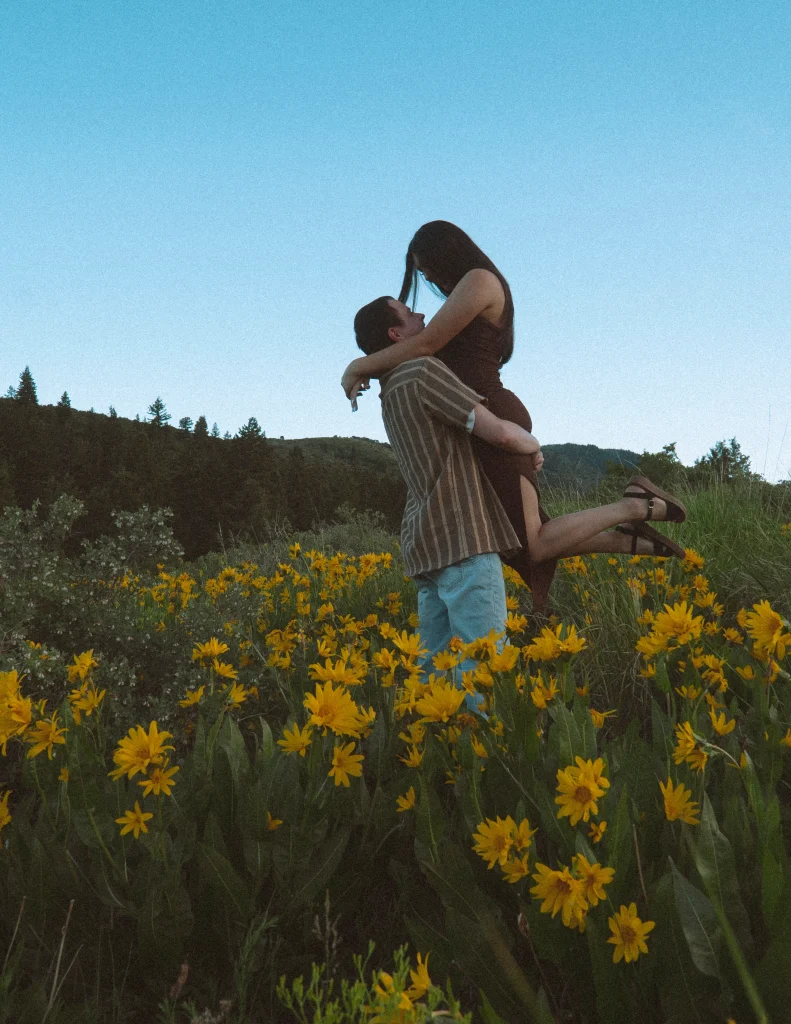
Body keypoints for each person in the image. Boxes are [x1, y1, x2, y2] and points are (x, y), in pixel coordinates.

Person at [344, 223, 687, 608]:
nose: (427, 278)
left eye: (426, 268)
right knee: (513, 541)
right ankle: (628, 537)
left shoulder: (479, 281)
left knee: (532, 544)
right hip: (482, 421)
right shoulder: (463, 294)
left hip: (492, 413)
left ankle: (635, 506)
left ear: (446, 253)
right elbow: (421, 350)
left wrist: (359, 365)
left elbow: (425, 344)